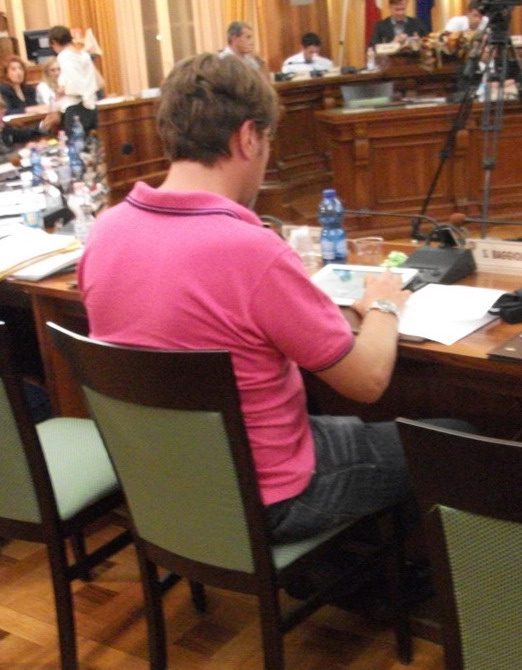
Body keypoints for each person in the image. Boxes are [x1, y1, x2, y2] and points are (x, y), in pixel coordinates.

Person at [78, 53, 473, 551]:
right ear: (248, 137)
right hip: (268, 498)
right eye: (267, 142)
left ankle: (346, 569)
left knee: (320, 410)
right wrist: (383, 305)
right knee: (457, 440)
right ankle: (410, 578)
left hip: (165, 483)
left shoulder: (106, 230)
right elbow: (368, 380)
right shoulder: (250, 250)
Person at [48, 24, 98, 137]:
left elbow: (72, 86)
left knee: (76, 144)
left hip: (75, 108)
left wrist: (59, 92)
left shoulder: (64, 56)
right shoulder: (84, 55)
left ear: (54, 42)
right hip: (91, 105)